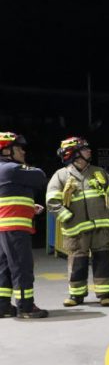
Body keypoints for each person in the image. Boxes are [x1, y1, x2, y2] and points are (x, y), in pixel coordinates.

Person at [46, 137, 109, 307]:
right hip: (76, 231)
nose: (89, 151)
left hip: (100, 228)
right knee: (78, 263)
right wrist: (67, 217)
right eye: (85, 149)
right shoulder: (61, 176)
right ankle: (76, 295)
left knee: (103, 260)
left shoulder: (98, 172)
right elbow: (52, 201)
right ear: (75, 155)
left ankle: (104, 294)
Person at [0, 132, 49, 319]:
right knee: (22, 267)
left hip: (4, 228)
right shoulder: (11, 169)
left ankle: (3, 306)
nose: (23, 151)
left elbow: (8, 197)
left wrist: (29, 206)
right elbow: (40, 177)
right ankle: (26, 307)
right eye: (19, 148)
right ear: (6, 150)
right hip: (14, 228)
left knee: (4, 268)